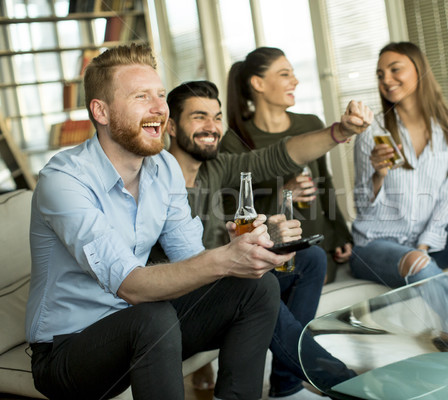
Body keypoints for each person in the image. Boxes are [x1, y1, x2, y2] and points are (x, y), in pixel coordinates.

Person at [24, 43, 293, 400]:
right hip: (66, 351)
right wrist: (224, 259)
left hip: (141, 325)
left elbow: (189, 261)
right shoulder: (63, 180)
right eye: (141, 97)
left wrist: (241, 252)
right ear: (101, 112)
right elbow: (131, 286)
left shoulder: (164, 167)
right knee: (152, 318)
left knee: (258, 288)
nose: (159, 109)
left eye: (161, 95)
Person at [163, 80, 372, 399]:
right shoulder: (157, 181)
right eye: (199, 117)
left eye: (217, 117)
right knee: (257, 287)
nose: (212, 126)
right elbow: (185, 265)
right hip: (185, 305)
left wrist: (341, 130)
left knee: (308, 259)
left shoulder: (213, 167)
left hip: (222, 281)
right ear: (170, 125)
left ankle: (286, 386)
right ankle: (345, 384)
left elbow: (276, 157)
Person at [351, 41, 448, 290]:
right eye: (380, 74)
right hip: (377, 246)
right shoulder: (372, 132)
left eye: (395, 69)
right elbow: (361, 206)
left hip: (427, 243)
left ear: (419, 70)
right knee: (417, 262)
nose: (386, 79)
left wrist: (424, 246)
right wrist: (378, 176)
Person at [222, 47, 353, 283]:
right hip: (271, 256)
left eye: (293, 73)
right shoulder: (235, 140)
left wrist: (341, 235)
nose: (295, 80)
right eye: (284, 74)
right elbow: (232, 213)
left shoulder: (311, 125)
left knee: (314, 265)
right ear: (258, 83)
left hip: (318, 249)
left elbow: (325, 183)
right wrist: (282, 195)